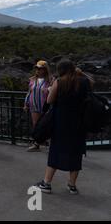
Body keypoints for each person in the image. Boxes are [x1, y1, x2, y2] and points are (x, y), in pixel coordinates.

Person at [34, 60, 93, 195]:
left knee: (56, 151)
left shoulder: (59, 82)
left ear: (61, 69)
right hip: (78, 123)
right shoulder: (83, 81)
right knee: (75, 153)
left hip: (61, 122)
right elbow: (91, 84)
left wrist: (50, 90)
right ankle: (72, 186)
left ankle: (46, 183)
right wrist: (81, 72)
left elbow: (49, 100)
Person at [24, 60, 53, 152]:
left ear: (45, 69)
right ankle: (36, 144)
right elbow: (29, 92)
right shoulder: (32, 80)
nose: (38, 70)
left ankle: (51, 144)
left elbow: (54, 91)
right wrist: (26, 103)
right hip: (34, 105)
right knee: (36, 125)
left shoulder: (51, 80)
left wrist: (48, 90)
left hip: (46, 106)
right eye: (36, 68)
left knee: (48, 124)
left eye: (40, 69)